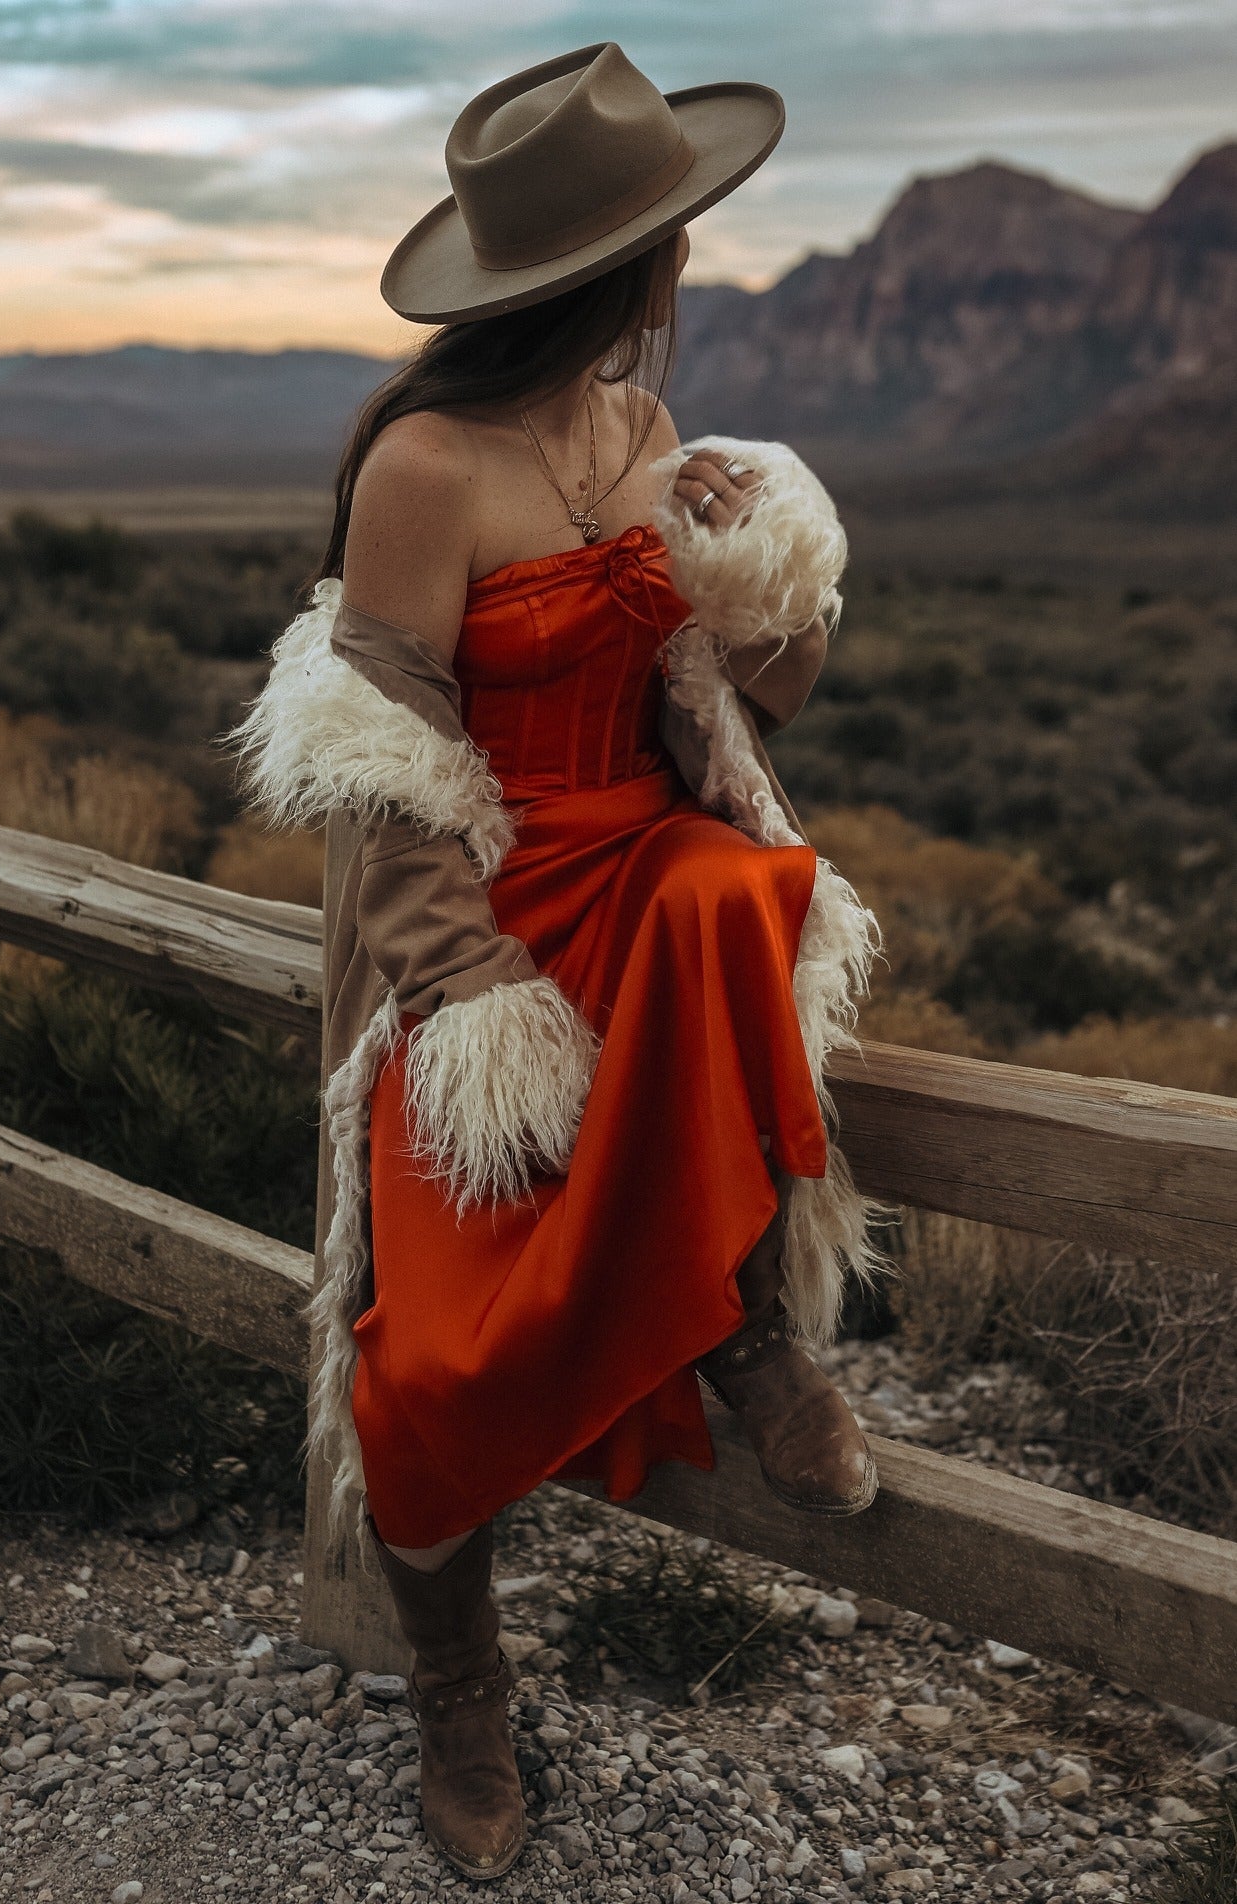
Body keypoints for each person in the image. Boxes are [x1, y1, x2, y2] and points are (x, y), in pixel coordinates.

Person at [222, 40, 893, 1882]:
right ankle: (460, 1688)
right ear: (633, 262)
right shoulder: (423, 466)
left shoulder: (650, 439)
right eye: (677, 233)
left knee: (729, 892)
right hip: (484, 922)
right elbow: (379, 768)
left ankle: (745, 1324)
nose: (691, 255)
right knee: (430, 1362)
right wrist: (471, 990)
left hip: (646, 874)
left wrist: (765, 587)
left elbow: (729, 713)